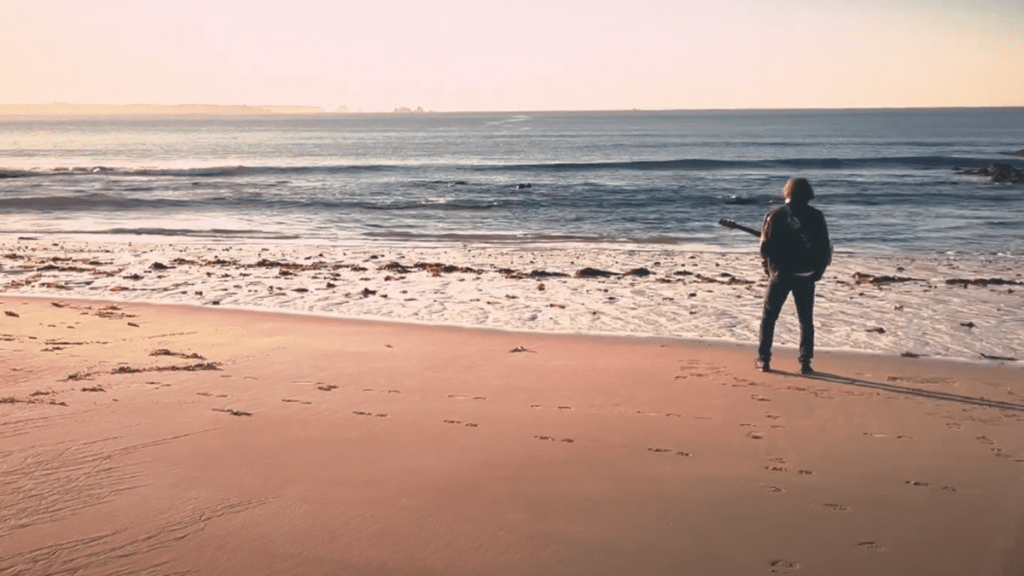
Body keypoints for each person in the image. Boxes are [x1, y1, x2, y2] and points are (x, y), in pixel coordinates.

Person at [756, 178, 832, 374]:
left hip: (780, 273)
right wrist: (819, 271)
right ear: (809, 194)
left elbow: (765, 248)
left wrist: (769, 270)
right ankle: (805, 362)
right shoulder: (816, 216)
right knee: (805, 320)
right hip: (805, 273)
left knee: (769, 318)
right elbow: (824, 247)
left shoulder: (774, 216)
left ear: (787, 193)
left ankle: (764, 360)